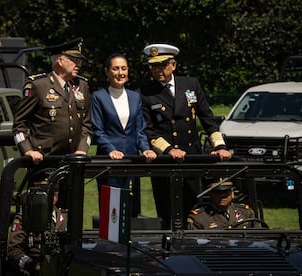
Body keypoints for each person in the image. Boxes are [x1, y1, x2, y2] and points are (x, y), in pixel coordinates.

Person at [139, 43, 232, 229]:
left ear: (173, 65)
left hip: (191, 157)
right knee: (167, 212)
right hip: (165, 160)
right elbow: (148, 130)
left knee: (192, 209)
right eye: (153, 66)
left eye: (162, 65)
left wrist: (220, 146)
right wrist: (168, 149)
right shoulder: (145, 93)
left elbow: (208, 119)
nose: (157, 70)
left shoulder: (191, 85)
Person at [91, 53, 157, 217]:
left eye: (124, 68)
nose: (120, 73)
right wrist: (110, 149)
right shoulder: (98, 97)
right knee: (112, 212)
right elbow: (97, 130)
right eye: (115, 68)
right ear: (107, 72)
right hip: (109, 161)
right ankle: (110, 243)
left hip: (132, 159)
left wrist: (146, 149)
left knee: (132, 209)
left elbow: (139, 130)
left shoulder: (135, 97)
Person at [12, 38, 92, 167]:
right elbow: (19, 124)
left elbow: (87, 125)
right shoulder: (38, 85)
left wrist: (82, 149)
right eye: (74, 60)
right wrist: (27, 150)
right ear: (60, 61)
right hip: (44, 161)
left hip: (73, 162)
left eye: (80, 61)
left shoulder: (82, 85)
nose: (79, 65)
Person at [7, 184, 67, 276]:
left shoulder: (65, 218)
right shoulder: (25, 218)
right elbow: (13, 251)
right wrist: (33, 265)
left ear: (55, 197)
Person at [186, 180, 255, 229]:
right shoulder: (199, 218)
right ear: (210, 194)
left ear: (232, 193)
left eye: (226, 192)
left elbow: (258, 237)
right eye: (217, 192)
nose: (222, 196)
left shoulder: (245, 212)